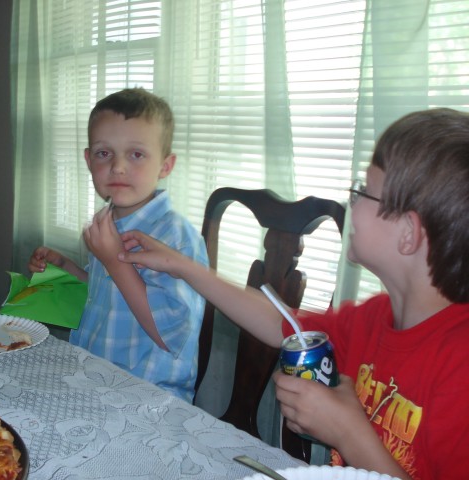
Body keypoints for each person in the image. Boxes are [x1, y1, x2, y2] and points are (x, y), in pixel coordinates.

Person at [116, 108, 469, 480]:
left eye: (363, 191)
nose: (352, 202)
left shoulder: (460, 365)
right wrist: (184, 267)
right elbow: (282, 323)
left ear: (408, 233)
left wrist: (347, 433)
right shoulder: (376, 317)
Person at [29, 88, 208, 402]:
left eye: (136, 154)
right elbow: (107, 292)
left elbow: (168, 333)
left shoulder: (175, 236)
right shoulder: (108, 222)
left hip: (148, 397)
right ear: (88, 160)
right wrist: (65, 267)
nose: (118, 167)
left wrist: (113, 259)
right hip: (93, 381)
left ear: (165, 166)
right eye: (104, 153)